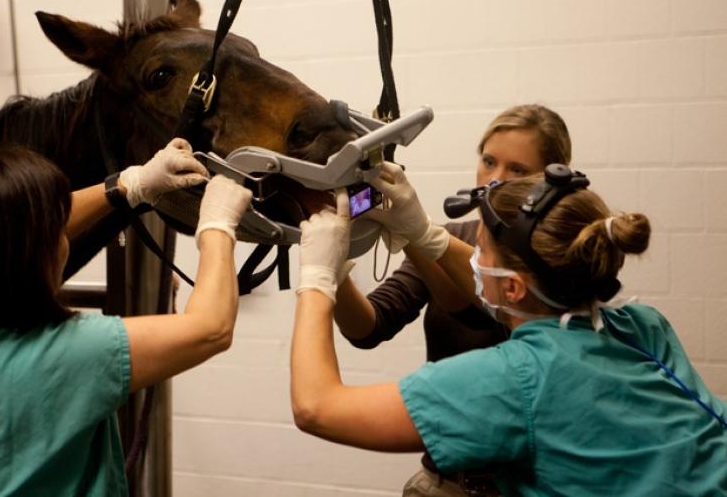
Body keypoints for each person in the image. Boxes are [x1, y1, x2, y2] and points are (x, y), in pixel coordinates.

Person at [290, 164, 727, 496]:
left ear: (514, 287)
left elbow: (316, 407)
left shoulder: (512, 380)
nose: (473, 259)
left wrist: (316, 276)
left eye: (479, 250)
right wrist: (424, 234)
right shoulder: (646, 326)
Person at [0, 140, 252, 496]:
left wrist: (130, 186)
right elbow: (212, 328)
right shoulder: (67, 351)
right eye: (55, 229)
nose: (63, 236)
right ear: (29, 251)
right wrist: (217, 226)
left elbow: (3, 233)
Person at [333, 104, 571, 495]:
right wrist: (333, 268)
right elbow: (370, 327)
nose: (495, 180)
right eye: (489, 161)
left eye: (517, 170)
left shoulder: (561, 254)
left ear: (553, 178)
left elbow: (490, 311)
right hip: (444, 482)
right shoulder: (455, 232)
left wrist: (423, 237)